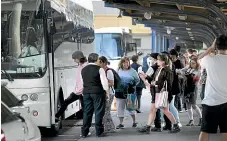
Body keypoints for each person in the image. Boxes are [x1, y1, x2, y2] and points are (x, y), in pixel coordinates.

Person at [138, 54, 181, 134]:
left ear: (163, 61)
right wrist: (146, 77)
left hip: (163, 93)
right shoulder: (159, 69)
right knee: (154, 110)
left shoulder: (168, 70)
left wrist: (153, 83)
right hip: (156, 92)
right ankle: (148, 127)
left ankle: (175, 125)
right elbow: (154, 79)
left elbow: (168, 83)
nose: (156, 61)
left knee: (165, 110)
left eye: (158, 60)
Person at [198, 36, 227, 141]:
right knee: (225, 132)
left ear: (216, 46)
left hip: (210, 102)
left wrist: (210, 47)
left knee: (205, 131)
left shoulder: (208, 60)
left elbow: (198, 58)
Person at [81, 53, 109, 137]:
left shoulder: (83, 69)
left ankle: (84, 132)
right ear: (97, 60)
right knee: (99, 111)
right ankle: (99, 131)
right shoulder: (99, 69)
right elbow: (104, 82)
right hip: (97, 92)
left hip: (86, 92)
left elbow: (83, 82)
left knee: (87, 112)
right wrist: (107, 92)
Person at [55, 51, 87, 121]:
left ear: (79, 58)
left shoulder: (85, 66)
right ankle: (57, 116)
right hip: (78, 91)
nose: (74, 60)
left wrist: (80, 90)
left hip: (81, 91)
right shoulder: (80, 65)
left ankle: (57, 116)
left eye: (75, 58)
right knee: (67, 102)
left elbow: (83, 80)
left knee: (84, 109)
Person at [115, 57, 140, 129]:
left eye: (127, 62)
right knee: (120, 107)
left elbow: (137, 80)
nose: (126, 64)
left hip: (130, 92)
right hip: (119, 92)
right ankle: (121, 123)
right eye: (124, 62)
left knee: (131, 108)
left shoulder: (133, 71)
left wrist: (132, 85)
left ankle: (134, 122)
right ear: (121, 63)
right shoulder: (118, 70)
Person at [177, 56, 202, 126]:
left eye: (193, 63)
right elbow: (180, 71)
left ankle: (201, 118)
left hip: (193, 89)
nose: (192, 64)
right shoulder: (189, 68)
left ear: (197, 64)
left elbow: (191, 77)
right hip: (186, 88)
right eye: (191, 63)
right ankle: (191, 120)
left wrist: (182, 74)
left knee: (194, 105)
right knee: (188, 105)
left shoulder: (198, 71)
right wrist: (182, 71)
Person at [98, 56, 115, 133]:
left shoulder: (109, 71)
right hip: (104, 93)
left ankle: (108, 128)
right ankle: (109, 127)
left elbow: (111, 83)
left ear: (104, 63)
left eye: (99, 62)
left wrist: (102, 83)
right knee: (106, 111)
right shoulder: (100, 70)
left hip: (109, 93)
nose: (98, 64)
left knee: (106, 111)